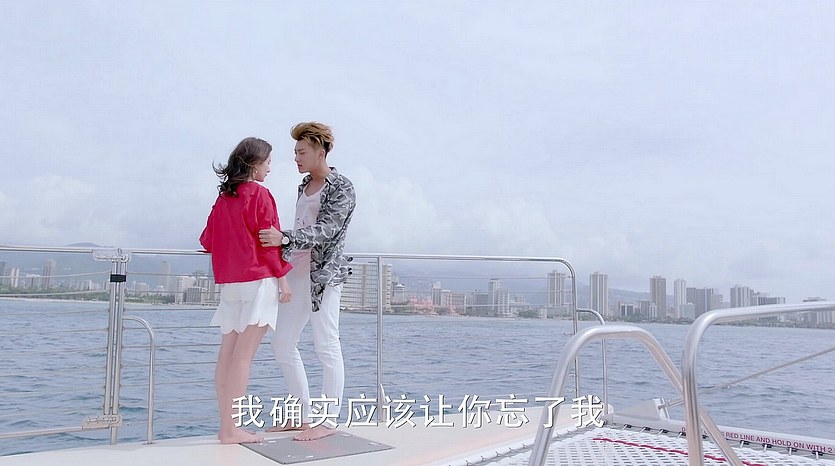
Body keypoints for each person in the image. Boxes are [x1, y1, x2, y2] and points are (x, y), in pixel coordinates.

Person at [259, 122, 355, 441]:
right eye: (295, 152)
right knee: (282, 342)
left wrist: (284, 237)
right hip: (296, 272)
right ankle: (301, 415)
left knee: (326, 345)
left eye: (301, 152)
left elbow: (327, 229)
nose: (296, 158)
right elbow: (303, 225)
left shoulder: (341, 187)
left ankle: (327, 420)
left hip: (324, 276)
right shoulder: (304, 185)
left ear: (320, 152)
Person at [200, 137, 293, 444]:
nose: (270, 168)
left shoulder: (224, 198)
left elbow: (207, 240)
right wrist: (283, 279)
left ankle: (226, 426)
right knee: (243, 357)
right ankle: (232, 429)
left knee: (227, 355)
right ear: (254, 164)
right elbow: (269, 242)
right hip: (257, 281)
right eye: (268, 162)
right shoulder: (260, 195)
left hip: (230, 284)